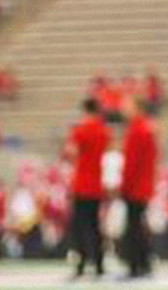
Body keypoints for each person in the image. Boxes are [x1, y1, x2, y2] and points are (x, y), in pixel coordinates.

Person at [63, 99, 109, 278]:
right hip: (96, 184)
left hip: (81, 184)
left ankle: (81, 264)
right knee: (95, 226)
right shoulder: (103, 130)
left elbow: (70, 152)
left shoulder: (80, 130)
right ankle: (98, 264)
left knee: (79, 227)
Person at [120, 100, 159, 278]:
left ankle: (135, 264)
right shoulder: (148, 128)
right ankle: (144, 262)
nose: (123, 109)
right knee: (138, 225)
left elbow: (132, 163)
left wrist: (125, 185)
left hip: (135, 187)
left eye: (127, 106)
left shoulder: (137, 130)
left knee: (133, 227)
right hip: (143, 185)